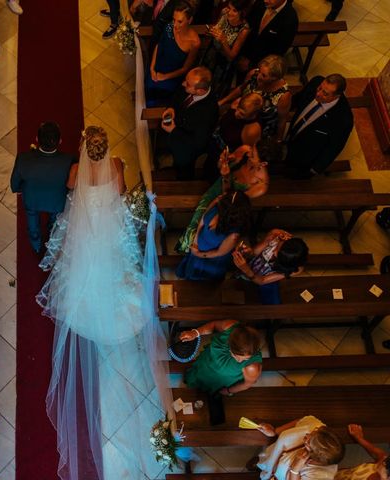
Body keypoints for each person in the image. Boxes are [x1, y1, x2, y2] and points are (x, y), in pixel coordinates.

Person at [37, 126, 169, 479]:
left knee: (84, 264)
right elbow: (121, 193)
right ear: (105, 147)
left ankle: (88, 298)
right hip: (107, 225)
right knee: (116, 263)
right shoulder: (116, 165)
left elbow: (71, 192)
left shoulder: (76, 172)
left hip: (87, 227)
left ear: (83, 149)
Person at [178, 139, 278, 253]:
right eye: (252, 148)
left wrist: (225, 177)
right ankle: (187, 246)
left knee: (204, 227)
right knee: (196, 220)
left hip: (225, 207)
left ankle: (194, 250)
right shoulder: (245, 150)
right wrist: (222, 161)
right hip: (216, 190)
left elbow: (231, 200)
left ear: (264, 163)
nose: (249, 153)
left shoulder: (260, 186)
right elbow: (222, 164)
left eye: (253, 155)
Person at [10, 121, 75, 253]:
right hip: (57, 201)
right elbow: (71, 183)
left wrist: (19, 189)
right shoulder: (69, 160)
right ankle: (52, 237)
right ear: (60, 141)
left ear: (37, 139)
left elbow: (15, 182)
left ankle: (36, 245)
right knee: (54, 220)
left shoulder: (23, 158)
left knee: (33, 225)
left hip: (32, 200)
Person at [285, 74, 354, 178]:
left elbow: (334, 147)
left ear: (336, 96)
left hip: (305, 154)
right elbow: (299, 98)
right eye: (320, 88)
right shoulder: (316, 81)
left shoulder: (344, 119)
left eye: (325, 94)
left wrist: (315, 169)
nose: (318, 94)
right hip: (294, 132)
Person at [177, 190, 252, 280]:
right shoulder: (217, 208)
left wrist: (199, 254)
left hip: (209, 261)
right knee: (189, 275)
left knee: (200, 286)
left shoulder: (233, 235)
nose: (223, 196)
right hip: (196, 250)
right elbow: (202, 220)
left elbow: (218, 253)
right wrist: (195, 241)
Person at [161, 66, 219, 180]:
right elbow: (177, 96)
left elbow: (198, 143)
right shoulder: (189, 84)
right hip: (176, 131)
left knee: (183, 171)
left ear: (200, 91)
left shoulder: (208, 112)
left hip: (186, 149)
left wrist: (174, 131)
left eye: (187, 84)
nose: (183, 84)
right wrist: (171, 108)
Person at [179, 320, 262, 395]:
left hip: (221, 380)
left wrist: (228, 390)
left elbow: (246, 384)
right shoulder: (230, 326)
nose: (240, 361)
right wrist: (195, 333)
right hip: (206, 363)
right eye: (236, 356)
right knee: (194, 377)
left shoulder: (253, 367)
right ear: (230, 345)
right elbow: (214, 325)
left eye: (246, 359)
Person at [220, 54, 291, 140]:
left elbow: (281, 121)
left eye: (264, 75)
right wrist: (222, 101)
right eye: (260, 71)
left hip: (260, 131)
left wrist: (278, 141)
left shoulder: (283, 96)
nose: (258, 76)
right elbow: (241, 88)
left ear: (274, 78)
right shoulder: (254, 73)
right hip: (241, 116)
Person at [145, 1, 201, 106]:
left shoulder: (194, 43)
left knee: (157, 100)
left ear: (190, 20)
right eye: (174, 20)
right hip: (157, 67)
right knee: (148, 89)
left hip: (172, 76)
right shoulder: (169, 27)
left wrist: (164, 77)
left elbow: (185, 68)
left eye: (180, 21)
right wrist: (152, 68)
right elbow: (158, 46)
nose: (175, 25)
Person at [255, 416, 345, 480]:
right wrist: (275, 431)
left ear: (315, 457)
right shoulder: (316, 427)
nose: (307, 435)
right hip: (269, 461)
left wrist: (295, 469)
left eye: (309, 442)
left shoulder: (320, 475)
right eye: (314, 431)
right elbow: (302, 420)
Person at [203, 91, 263, 180]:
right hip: (216, 144)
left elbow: (245, 152)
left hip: (228, 156)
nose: (236, 113)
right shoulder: (238, 103)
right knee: (208, 170)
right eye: (238, 108)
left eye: (242, 114)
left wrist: (227, 161)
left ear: (253, 115)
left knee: (217, 179)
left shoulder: (252, 130)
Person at [200, 0, 251, 97]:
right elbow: (217, 26)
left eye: (234, 11)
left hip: (223, 63)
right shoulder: (224, 13)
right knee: (203, 80)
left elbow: (232, 56)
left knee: (214, 89)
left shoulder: (244, 29)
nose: (229, 12)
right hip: (211, 54)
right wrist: (211, 32)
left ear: (242, 12)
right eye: (229, 8)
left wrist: (223, 40)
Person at [239, 0, 298, 73]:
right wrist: (244, 55)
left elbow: (279, 51)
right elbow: (249, 26)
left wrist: (256, 65)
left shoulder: (290, 19)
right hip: (245, 55)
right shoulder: (261, 3)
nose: (265, 0)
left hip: (261, 65)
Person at [232, 228, 309, 285]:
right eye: (277, 246)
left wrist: (246, 270)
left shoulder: (295, 269)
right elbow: (254, 253)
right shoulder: (276, 237)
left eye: (277, 253)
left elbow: (262, 280)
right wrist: (249, 252)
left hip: (255, 278)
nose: (273, 251)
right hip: (249, 265)